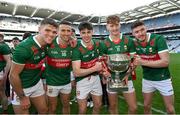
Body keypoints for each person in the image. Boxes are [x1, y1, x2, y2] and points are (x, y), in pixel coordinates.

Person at [9, 18, 58, 114]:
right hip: (21, 86)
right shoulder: (24, 48)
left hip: (36, 82)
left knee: (44, 110)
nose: (51, 34)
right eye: (47, 30)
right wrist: (22, 97)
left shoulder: (48, 43)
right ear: (39, 29)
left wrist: (72, 41)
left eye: (54, 32)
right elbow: (13, 75)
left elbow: (64, 41)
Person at [131, 20, 175, 114]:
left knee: (170, 109)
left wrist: (143, 62)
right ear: (133, 34)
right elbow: (133, 62)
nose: (140, 33)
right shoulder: (135, 44)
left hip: (163, 79)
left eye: (142, 30)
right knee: (146, 106)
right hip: (147, 79)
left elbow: (165, 62)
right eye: (137, 32)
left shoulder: (158, 39)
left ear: (146, 28)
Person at [99, 15, 137, 114]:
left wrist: (128, 74)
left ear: (120, 25)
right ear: (107, 27)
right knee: (113, 106)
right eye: (111, 26)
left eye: (116, 25)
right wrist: (105, 73)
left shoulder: (128, 41)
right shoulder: (104, 43)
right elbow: (102, 61)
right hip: (111, 78)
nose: (114, 28)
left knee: (133, 107)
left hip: (127, 78)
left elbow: (134, 60)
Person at [72, 22, 103, 114]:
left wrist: (103, 72)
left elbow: (103, 59)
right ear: (80, 33)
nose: (86, 35)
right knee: (82, 109)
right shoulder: (76, 48)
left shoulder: (98, 44)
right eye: (83, 33)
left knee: (98, 105)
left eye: (88, 32)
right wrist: (94, 69)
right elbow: (76, 72)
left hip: (96, 78)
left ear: (92, 32)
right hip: (82, 81)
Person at [45, 21, 74, 114]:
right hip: (52, 82)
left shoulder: (73, 45)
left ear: (71, 32)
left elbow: (73, 64)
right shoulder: (49, 44)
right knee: (52, 108)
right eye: (63, 30)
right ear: (57, 31)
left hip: (66, 82)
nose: (66, 33)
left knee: (66, 105)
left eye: (68, 31)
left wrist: (72, 78)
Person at [0, 33, 11, 113]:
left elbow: (8, 62)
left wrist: (5, 75)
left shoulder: (3, 46)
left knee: (2, 92)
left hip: (1, 72)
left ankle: (5, 111)